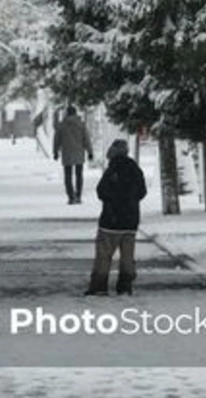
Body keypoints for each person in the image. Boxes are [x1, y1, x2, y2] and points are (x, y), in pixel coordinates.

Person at [86, 139, 147, 296]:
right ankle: (125, 285)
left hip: (110, 221)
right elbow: (142, 191)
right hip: (130, 222)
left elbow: (101, 191)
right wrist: (131, 201)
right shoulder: (135, 169)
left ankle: (99, 286)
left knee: (104, 255)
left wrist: (113, 201)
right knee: (127, 256)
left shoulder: (111, 171)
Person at [53, 105, 93, 204]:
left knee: (68, 175)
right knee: (79, 175)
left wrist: (55, 152)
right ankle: (78, 195)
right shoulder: (81, 125)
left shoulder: (62, 125)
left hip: (67, 153)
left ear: (67, 113)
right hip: (79, 152)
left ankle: (71, 196)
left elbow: (57, 139)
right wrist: (90, 152)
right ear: (75, 113)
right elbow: (86, 139)